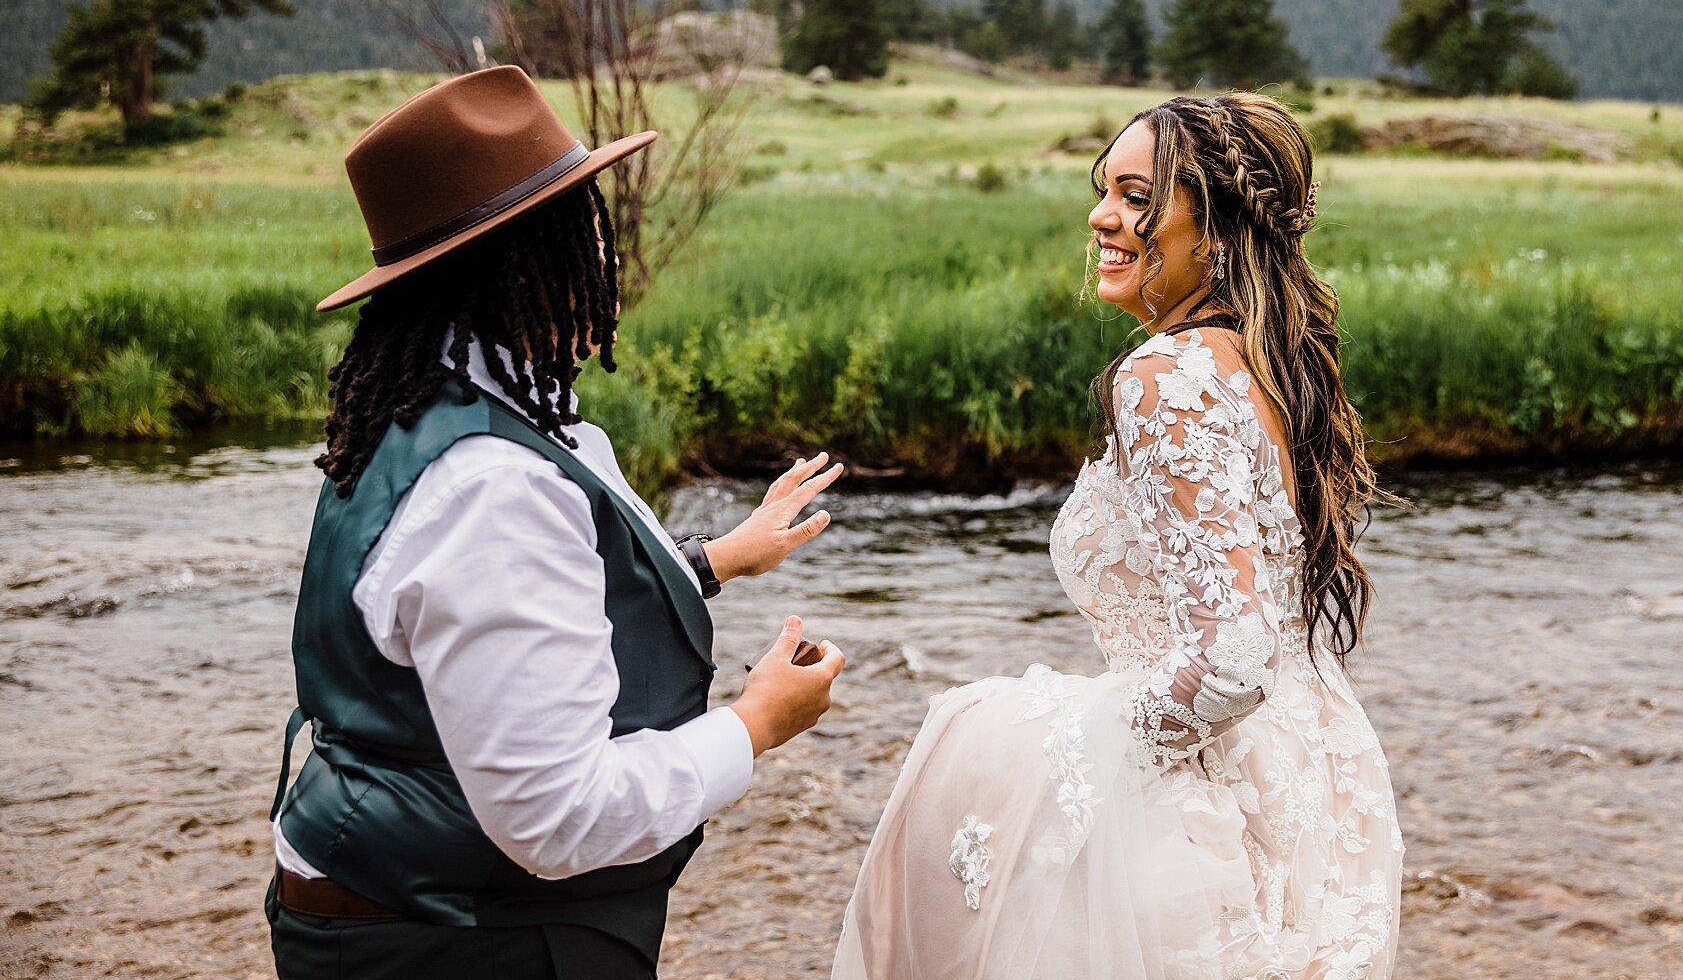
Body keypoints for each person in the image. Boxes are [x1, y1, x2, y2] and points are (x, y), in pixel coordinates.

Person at [266, 65, 847, 979]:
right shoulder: (492, 486)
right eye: (585, 232)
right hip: (459, 939)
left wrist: (718, 557)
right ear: (519, 264)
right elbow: (559, 817)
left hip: (400, 896)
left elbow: (495, 619)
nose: (608, 261)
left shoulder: (436, 407)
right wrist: (756, 722)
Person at [834, 94, 1403, 980]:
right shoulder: (1267, 361)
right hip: (1309, 770)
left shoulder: (1166, 375)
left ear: (1213, 226)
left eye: (1139, 197)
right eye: (1105, 190)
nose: (1103, 215)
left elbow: (1233, 661)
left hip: (1198, 799)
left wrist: (1065, 745)